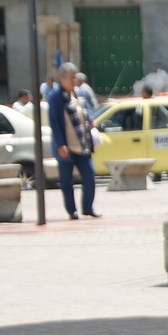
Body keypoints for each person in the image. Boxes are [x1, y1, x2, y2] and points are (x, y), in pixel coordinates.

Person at [47, 62, 100, 221]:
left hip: (82, 144)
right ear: (62, 79)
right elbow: (54, 123)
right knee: (66, 181)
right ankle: (72, 211)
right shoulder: (55, 98)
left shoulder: (80, 94)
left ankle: (88, 208)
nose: (74, 80)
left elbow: (87, 110)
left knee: (89, 176)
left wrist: (91, 119)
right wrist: (60, 144)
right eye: (71, 78)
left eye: (75, 77)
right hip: (66, 146)